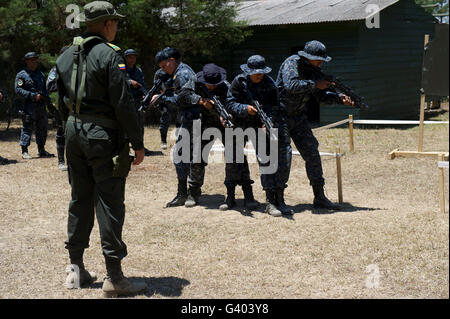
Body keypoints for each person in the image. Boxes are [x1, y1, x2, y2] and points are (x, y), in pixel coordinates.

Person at [56, 1, 146, 297]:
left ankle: (75, 271)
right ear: (107, 24)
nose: (117, 27)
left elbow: (59, 102)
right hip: (102, 135)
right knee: (109, 201)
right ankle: (115, 277)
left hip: (74, 131)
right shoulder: (110, 55)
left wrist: (69, 129)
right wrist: (138, 143)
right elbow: (123, 103)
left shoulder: (66, 54)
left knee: (80, 197)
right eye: (115, 22)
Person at [276, 40, 355, 210]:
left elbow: (319, 95)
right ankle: (278, 199)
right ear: (308, 57)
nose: (321, 63)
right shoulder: (292, 63)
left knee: (312, 152)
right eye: (318, 59)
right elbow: (291, 85)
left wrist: (338, 98)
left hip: (298, 117)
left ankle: (319, 196)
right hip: (280, 116)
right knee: (284, 155)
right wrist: (314, 84)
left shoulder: (314, 70)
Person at [178, 63, 259, 210]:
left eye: (214, 85)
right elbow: (182, 95)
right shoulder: (195, 81)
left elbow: (233, 103)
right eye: (209, 85)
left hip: (224, 123)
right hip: (203, 123)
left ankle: (247, 192)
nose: (212, 87)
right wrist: (200, 100)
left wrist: (228, 116)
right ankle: (194, 192)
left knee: (236, 155)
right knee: (197, 156)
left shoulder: (226, 86)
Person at [226, 55, 292, 217]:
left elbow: (276, 105)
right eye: (255, 73)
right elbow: (229, 102)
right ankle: (249, 197)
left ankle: (276, 200)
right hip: (242, 123)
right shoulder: (238, 82)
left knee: (268, 160)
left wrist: (268, 120)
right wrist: (244, 108)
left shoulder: (270, 83)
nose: (259, 75)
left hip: (263, 124)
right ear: (248, 72)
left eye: (261, 72)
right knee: (235, 158)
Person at [151, 47, 213, 208]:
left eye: (164, 66)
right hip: (187, 119)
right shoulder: (177, 72)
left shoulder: (183, 73)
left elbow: (182, 99)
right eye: (161, 67)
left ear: (172, 60)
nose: (163, 69)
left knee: (189, 156)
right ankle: (187, 192)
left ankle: (188, 193)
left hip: (194, 119)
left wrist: (162, 98)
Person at [15, 52, 54, 159]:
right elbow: (18, 90)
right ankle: (24, 151)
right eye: (32, 60)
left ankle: (41, 150)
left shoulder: (41, 74)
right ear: (26, 61)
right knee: (27, 128)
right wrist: (32, 96)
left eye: (35, 59)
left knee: (42, 128)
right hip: (28, 106)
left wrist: (49, 101)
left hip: (41, 106)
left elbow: (45, 90)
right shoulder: (21, 75)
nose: (34, 62)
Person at [124, 49, 152, 156]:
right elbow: (118, 78)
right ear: (125, 58)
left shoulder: (138, 70)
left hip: (138, 100)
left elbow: (142, 84)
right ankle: (126, 149)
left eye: (134, 57)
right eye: (130, 57)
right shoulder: (122, 68)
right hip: (126, 100)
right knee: (127, 124)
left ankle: (140, 147)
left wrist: (145, 95)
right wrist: (130, 82)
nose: (132, 59)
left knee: (140, 124)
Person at [46, 46, 69, 171]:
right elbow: (50, 85)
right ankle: (61, 160)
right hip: (63, 106)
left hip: (78, 107)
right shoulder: (56, 69)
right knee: (62, 132)